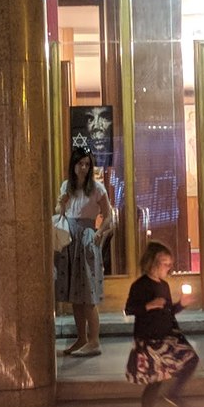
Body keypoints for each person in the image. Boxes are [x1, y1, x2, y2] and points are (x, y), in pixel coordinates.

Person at [125, 241, 198, 407]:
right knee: (155, 381)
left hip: (166, 337)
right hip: (149, 339)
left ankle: (174, 393)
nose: (168, 267)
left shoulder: (164, 285)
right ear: (153, 263)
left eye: (169, 264)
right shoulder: (140, 286)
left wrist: (181, 304)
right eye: (164, 263)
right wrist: (148, 306)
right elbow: (129, 309)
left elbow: (168, 311)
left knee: (191, 359)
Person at [54, 150, 115, 358]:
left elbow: (108, 216)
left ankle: (94, 340)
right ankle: (81, 338)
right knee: (75, 295)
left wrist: (99, 233)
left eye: (87, 164)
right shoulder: (66, 186)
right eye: (80, 163)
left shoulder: (97, 188)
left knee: (88, 294)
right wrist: (60, 203)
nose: (84, 168)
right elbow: (59, 212)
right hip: (70, 238)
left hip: (87, 238)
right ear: (73, 165)